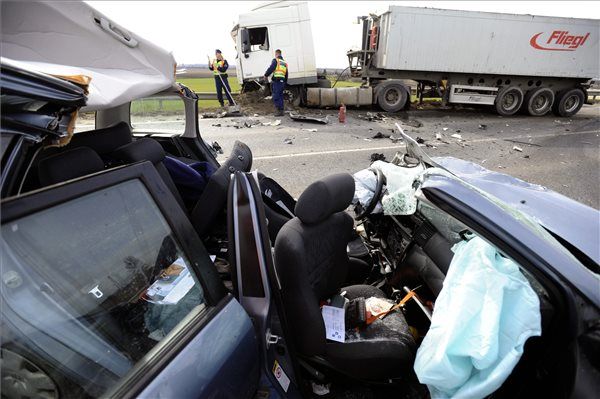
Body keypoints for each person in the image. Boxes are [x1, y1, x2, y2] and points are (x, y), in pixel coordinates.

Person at [263, 49, 288, 116]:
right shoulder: (284, 62)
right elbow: (286, 74)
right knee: (280, 96)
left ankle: (279, 111)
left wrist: (266, 75)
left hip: (277, 81)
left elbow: (271, 68)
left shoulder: (276, 60)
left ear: (276, 54)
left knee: (276, 96)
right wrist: (285, 82)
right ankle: (281, 111)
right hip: (282, 82)